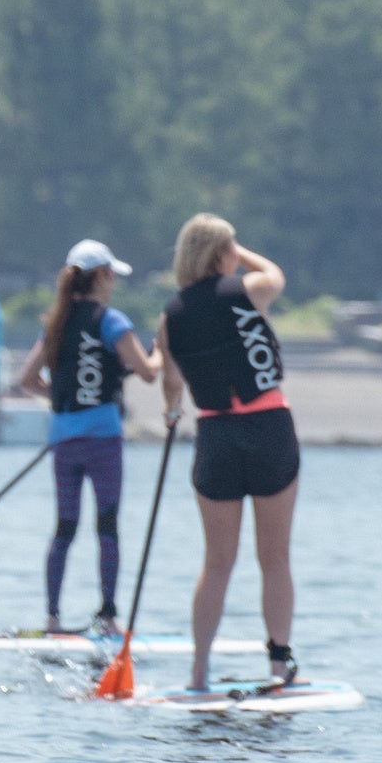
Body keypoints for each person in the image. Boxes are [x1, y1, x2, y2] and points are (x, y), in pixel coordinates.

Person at [156, 213, 303, 695]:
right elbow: (277, 276)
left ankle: (199, 671)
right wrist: (240, 252)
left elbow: (172, 382)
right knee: (274, 557)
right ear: (224, 254)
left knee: (217, 562)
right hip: (268, 428)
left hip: (216, 435)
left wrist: (171, 411)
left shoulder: (171, 315)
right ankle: (278, 668)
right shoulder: (245, 291)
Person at [12, 240, 157, 637]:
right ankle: (108, 618)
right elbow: (146, 372)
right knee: (106, 527)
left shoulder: (55, 323)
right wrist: (162, 350)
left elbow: (26, 380)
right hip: (104, 442)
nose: (114, 285)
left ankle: (52, 619)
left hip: (64, 442)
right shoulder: (112, 322)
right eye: (113, 277)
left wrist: (61, 398)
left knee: (65, 528)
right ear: (104, 276)